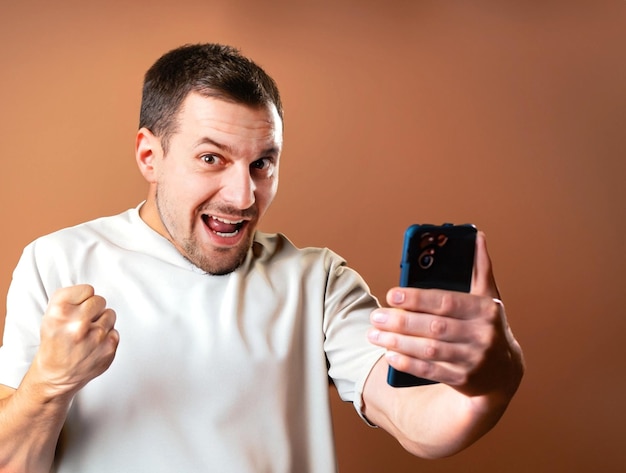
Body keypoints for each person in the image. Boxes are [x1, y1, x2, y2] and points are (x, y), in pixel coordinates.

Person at [0, 43, 524, 473]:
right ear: (149, 156)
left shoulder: (317, 281)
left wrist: (493, 380)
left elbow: (421, 425)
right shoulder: (57, 263)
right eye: (212, 158)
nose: (243, 195)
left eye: (262, 164)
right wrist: (49, 384)